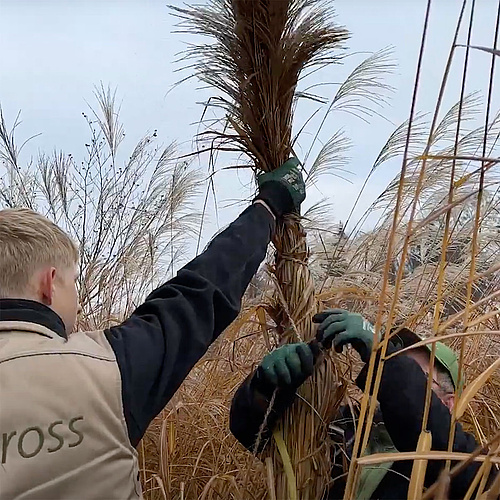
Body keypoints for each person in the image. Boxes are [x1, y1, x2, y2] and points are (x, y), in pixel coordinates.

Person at [0, 159, 305, 500]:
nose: (80, 301)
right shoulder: (107, 370)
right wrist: (268, 206)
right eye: (73, 282)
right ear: (50, 283)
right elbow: (201, 292)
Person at [230, 309, 496, 499]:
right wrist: (266, 388)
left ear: (448, 403)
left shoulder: (462, 458)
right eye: (398, 360)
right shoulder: (346, 429)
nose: (397, 371)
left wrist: (385, 358)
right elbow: (255, 435)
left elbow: (433, 434)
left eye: (418, 376)